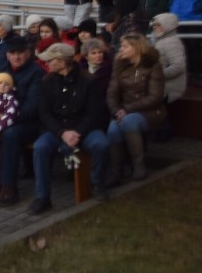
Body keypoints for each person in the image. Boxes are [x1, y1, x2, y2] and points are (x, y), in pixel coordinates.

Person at [28, 43, 109, 215]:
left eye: (50, 60)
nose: (47, 64)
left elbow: (94, 113)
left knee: (101, 144)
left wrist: (77, 132)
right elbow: (44, 112)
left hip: (85, 129)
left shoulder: (89, 81)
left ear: (62, 62)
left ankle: (97, 184)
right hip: (58, 130)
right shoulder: (47, 81)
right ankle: (43, 197)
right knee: (40, 147)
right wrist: (62, 132)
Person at [0, 36, 45, 207]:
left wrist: (4, 118)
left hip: (29, 122)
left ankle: (9, 187)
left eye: (21, 53)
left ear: (28, 53)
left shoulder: (37, 73)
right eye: (12, 53)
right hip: (3, 118)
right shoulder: (2, 69)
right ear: (7, 54)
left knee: (10, 134)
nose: (16, 57)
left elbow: (32, 109)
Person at [107, 34, 165, 184]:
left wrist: (127, 108)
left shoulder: (153, 66)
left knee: (129, 122)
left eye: (125, 46)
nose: (121, 49)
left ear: (136, 47)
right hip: (124, 110)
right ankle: (116, 171)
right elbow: (111, 93)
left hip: (151, 111)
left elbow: (155, 97)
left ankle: (138, 166)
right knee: (113, 129)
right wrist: (116, 110)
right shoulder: (120, 65)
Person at [151, 13, 186, 104]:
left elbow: (178, 66)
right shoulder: (160, 41)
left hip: (169, 88)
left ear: (168, 26)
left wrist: (156, 74)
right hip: (159, 84)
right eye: (154, 25)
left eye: (158, 25)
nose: (154, 28)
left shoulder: (172, 42)